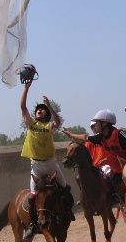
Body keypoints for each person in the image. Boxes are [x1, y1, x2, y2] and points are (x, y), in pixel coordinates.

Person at [20, 80, 75, 239]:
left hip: (51, 165)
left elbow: (58, 121)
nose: (40, 111)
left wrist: (49, 105)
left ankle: (68, 211)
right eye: (38, 110)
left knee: (65, 188)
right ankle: (32, 224)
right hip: (36, 166)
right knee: (32, 196)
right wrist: (26, 88)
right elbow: (23, 107)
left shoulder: (49, 126)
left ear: (47, 114)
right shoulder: (31, 124)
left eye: (43, 110)